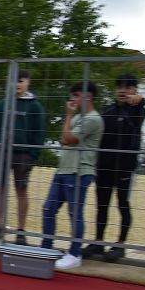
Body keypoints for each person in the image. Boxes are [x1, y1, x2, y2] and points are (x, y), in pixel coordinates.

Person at [41, 81, 103, 270]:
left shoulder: (93, 119)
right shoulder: (78, 117)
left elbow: (67, 139)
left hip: (79, 171)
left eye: (76, 95)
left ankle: (75, 253)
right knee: (48, 209)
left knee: (75, 214)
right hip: (64, 169)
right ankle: (46, 248)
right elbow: (63, 139)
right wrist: (70, 117)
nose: (72, 100)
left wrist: (68, 115)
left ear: (88, 96)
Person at [85, 74, 145, 262]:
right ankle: (98, 242)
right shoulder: (107, 110)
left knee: (123, 205)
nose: (122, 90)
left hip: (125, 168)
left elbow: (137, 120)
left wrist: (140, 102)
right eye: (119, 86)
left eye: (128, 87)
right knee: (101, 205)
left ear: (134, 90)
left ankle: (120, 245)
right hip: (104, 167)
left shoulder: (139, 111)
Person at [0, 69, 45, 244]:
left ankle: (21, 230)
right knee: (1, 189)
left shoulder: (34, 106)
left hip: (23, 155)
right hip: (2, 152)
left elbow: (39, 132)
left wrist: (33, 154)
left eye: (20, 81)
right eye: (13, 81)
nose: (17, 85)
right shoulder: (3, 104)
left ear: (28, 82)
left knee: (21, 190)